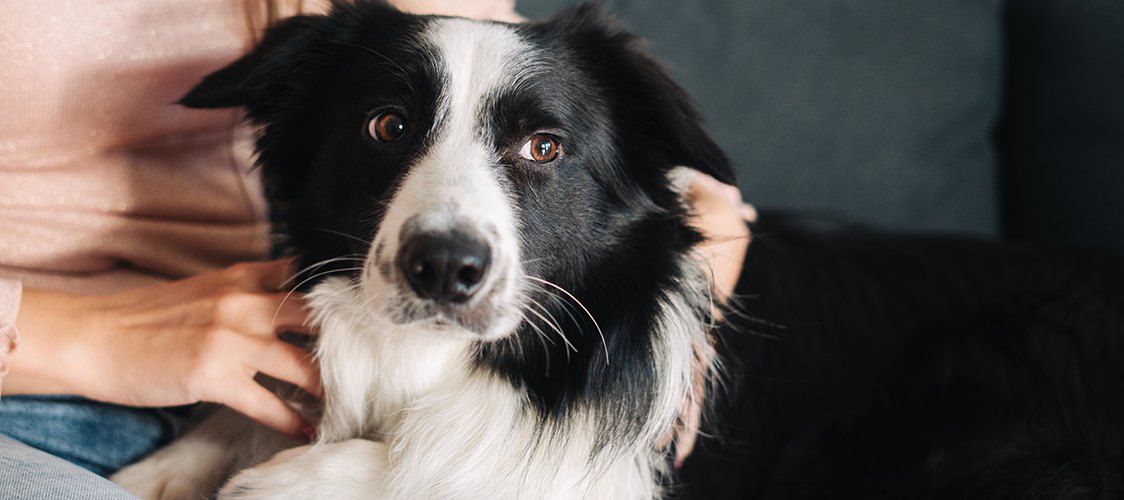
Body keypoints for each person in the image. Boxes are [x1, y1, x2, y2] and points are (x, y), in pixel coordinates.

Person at [0, 0, 752, 492]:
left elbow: (698, 201)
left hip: (285, 386)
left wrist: (676, 325)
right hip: (28, 399)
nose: (453, 251)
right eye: (391, 127)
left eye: (542, 146)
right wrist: (77, 338)